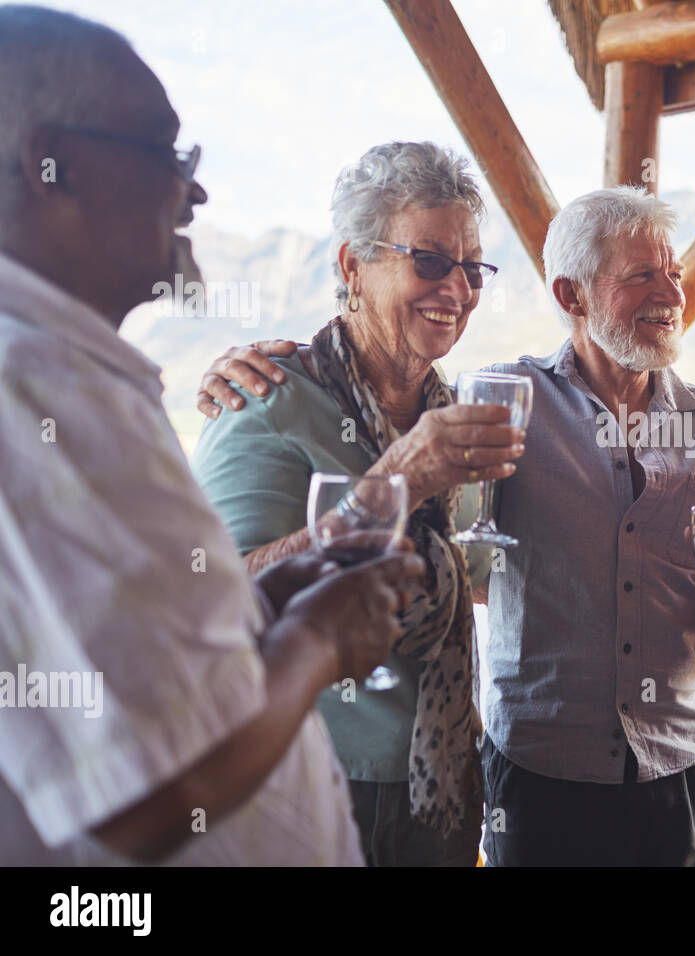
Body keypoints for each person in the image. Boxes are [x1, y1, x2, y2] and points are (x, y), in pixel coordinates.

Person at [195, 186, 695, 866]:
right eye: (641, 276)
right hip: (536, 775)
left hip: (678, 769)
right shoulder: (498, 404)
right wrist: (251, 364)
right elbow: (374, 382)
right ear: (571, 296)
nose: (670, 292)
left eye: (674, 274)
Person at [0, 4, 422, 865]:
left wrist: (260, 608)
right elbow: (152, 800)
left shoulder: (66, 374)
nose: (195, 190)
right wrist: (320, 639)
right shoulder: (45, 387)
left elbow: (118, 665)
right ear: (55, 165)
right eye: (166, 152)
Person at [190, 141, 524, 866]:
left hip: (440, 784)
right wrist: (398, 481)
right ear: (353, 266)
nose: (458, 291)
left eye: (472, 269)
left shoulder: (447, 409)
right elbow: (207, 603)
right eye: (430, 261)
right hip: (310, 781)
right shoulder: (267, 402)